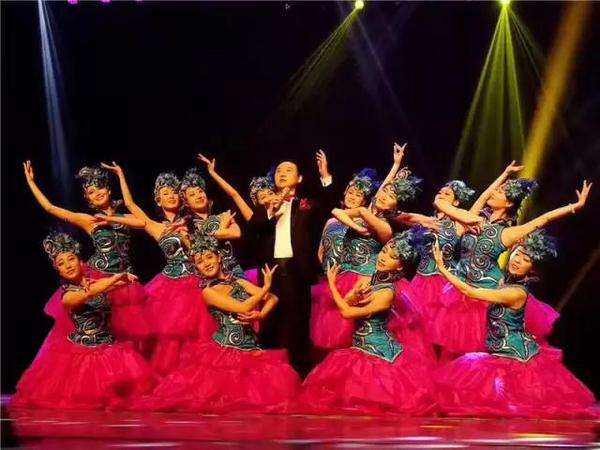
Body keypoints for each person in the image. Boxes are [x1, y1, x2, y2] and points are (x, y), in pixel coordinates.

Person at [433, 161, 592, 357]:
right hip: (456, 290)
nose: (493, 193)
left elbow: (544, 219)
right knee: (446, 350)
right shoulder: (473, 219)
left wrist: (574, 206)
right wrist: (504, 174)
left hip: (482, 295)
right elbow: (445, 203)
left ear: (509, 203)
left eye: (500, 192)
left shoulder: (507, 234)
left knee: (472, 353)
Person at [432, 233, 598, 418]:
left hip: (516, 360)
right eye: (517, 254)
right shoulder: (504, 284)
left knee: (509, 404)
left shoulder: (516, 293)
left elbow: (470, 292)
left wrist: (442, 269)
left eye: (526, 260)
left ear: (531, 270)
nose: (518, 260)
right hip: (498, 355)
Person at [136, 235, 301, 413]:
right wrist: (265, 288)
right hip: (225, 353)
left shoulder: (239, 282)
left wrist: (261, 315)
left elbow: (273, 298)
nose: (206, 263)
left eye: (209, 257)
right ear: (196, 268)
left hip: (251, 350)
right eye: (200, 262)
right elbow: (243, 306)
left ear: (219, 257)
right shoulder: (208, 292)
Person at [296, 232, 437, 415]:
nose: (383, 258)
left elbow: (347, 313)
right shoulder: (368, 280)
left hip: (380, 353)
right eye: (384, 251)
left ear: (400, 266)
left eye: (392, 257)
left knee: (376, 398)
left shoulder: (387, 292)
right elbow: (346, 303)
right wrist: (352, 296)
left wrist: (332, 285)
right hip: (359, 347)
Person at [10, 232, 154, 410]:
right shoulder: (67, 296)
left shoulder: (96, 283)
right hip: (81, 354)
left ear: (80, 261)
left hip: (108, 349)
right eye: (61, 264)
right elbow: (90, 293)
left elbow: (114, 286)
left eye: (71, 259)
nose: (67, 265)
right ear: (58, 270)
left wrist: (126, 279)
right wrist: (115, 278)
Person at [101, 163, 213, 374]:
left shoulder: (193, 222)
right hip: (170, 287)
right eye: (165, 193)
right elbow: (130, 204)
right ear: (158, 200)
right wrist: (121, 174)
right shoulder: (156, 227)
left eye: (174, 192)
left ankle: (199, 375)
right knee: (169, 337)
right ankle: (174, 377)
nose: (171, 196)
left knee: (200, 334)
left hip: (197, 281)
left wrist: (187, 237)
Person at [23, 161, 150, 346]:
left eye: (100, 188)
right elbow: (50, 208)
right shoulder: (90, 221)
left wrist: (120, 177)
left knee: (130, 334)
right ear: (89, 199)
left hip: (125, 278)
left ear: (108, 190)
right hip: (98, 275)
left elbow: (142, 222)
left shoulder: (126, 218)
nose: (97, 193)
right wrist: (31, 183)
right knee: (102, 326)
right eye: (91, 192)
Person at [245, 150, 334, 375]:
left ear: (299, 178)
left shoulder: (306, 204)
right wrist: (270, 210)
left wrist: (325, 176)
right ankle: (269, 375)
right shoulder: (264, 205)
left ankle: (297, 374)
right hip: (270, 274)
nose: (282, 174)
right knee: (269, 324)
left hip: (297, 273)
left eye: (288, 170)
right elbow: (252, 230)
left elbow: (328, 205)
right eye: (279, 171)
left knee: (297, 326)